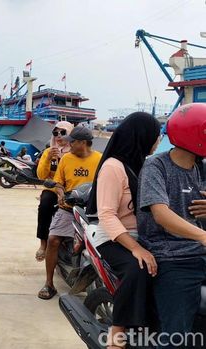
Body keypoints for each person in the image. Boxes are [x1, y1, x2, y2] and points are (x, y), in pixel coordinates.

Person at [85, 112, 161, 348]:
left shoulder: (142, 165)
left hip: (140, 235)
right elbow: (106, 214)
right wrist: (136, 248)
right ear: (141, 137)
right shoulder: (113, 167)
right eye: (156, 136)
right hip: (111, 237)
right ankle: (116, 335)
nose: (158, 141)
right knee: (137, 268)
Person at [137, 103, 206, 347]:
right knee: (177, 336)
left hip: (199, 252)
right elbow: (161, 214)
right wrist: (202, 236)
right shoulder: (156, 166)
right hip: (172, 256)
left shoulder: (200, 167)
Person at [38, 125, 102, 299]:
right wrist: (60, 194)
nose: (69, 145)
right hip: (68, 208)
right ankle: (49, 284)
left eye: (72, 142)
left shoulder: (101, 159)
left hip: (94, 210)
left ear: (82, 142)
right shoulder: (66, 159)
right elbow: (58, 182)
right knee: (53, 240)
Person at [34, 121, 74, 261]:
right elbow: (41, 175)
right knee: (44, 205)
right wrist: (48, 159)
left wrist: (63, 158)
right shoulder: (48, 151)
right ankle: (43, 244)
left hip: (71, 188)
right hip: (52, 188)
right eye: (55, 133)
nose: (58, 136)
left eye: (63, 132)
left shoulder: (74, 152)